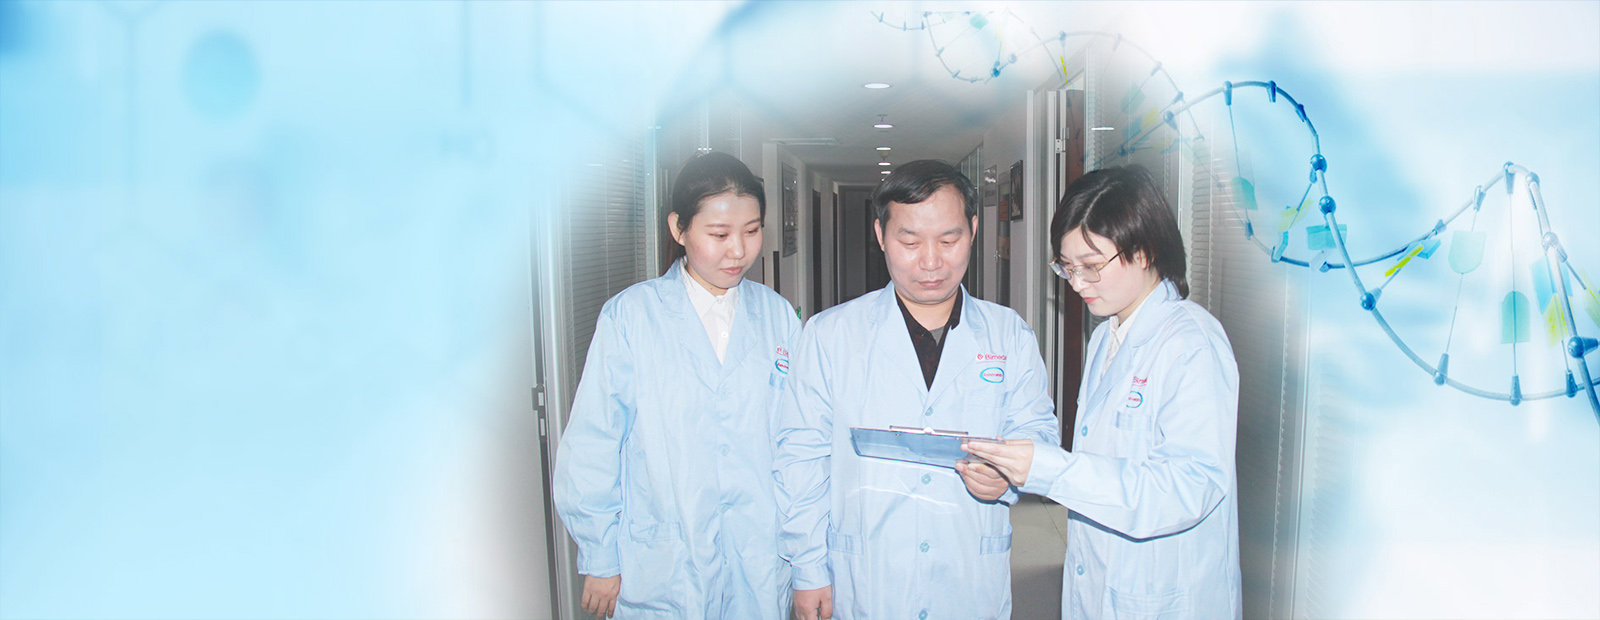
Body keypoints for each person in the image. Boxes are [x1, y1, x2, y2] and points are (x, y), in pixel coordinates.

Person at [774, 159, 1060, 620]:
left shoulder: (1009, 335)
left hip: (968, 573)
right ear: (880, 235)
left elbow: (1039, 433)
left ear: (973, 230)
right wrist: (807, 567)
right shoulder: (830, 335)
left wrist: (1007, 475)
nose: (931, 262)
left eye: (948, 240)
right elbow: (800, 458)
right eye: (909, 242)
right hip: (867, 576)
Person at [961, 165, 1242, 620]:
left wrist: (1052, 470)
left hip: (1164, 594)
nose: (1076, 283)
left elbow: (1189, 488)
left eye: (1091, 267)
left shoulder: (1192, 343)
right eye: (1067, 267)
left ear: (1144, 251)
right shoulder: (1106, 335)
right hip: (1101, 579)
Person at [553, 152, 800, 619]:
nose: (738, 251)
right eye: (719, 234)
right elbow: (593, 441)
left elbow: (796, 443)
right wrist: (600, 554)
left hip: (758, 556)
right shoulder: (631, 317)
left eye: (752, 231)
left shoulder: (777, 317)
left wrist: (806, 558)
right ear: (678, 228)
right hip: (663, 560)